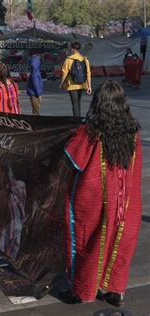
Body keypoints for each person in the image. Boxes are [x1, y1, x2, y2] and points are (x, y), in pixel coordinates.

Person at [61, 80, 142, 307]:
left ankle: (83, 291)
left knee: (88, 244)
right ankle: (116, 291)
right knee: (120, 242)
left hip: (93, 200)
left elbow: (72, 160)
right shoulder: (133, 133)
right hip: (125, 202)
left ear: (98, 104)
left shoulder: (90, 133)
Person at [60, 41, 92, 117]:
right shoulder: (84, 59)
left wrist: (61, 84)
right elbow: (88, 73)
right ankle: (79, 118)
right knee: (78, 102)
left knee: (75, 103)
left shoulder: (69, 60)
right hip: (82, 84)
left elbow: (64, 73)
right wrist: (89, 86)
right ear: (79, 49)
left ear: (72, 49)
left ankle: (76, 120)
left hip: (72, 85)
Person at [27, 50, 44, 115]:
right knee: (36, 112)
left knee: (35, 111)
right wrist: (38, 93)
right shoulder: (35, 72)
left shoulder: (34, 71)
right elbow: (36, 83)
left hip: (33, 92)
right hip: (35, 93)